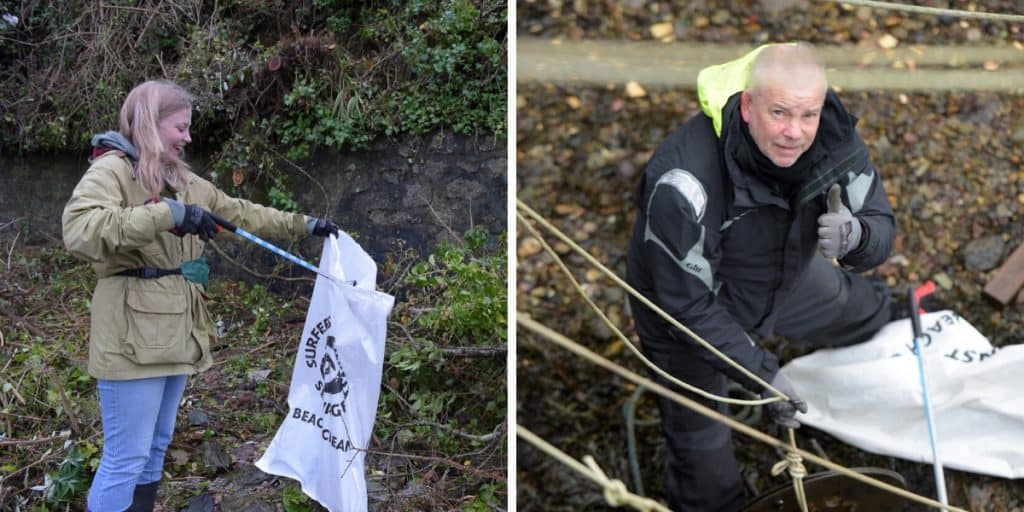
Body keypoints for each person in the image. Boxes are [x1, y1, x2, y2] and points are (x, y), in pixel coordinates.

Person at [625, 42, 895, 511]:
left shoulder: (832, 138)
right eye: (780, 113)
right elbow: (685, 309)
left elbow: (881, 220)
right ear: (748, 106)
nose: (795, 132)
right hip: (686, 320)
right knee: (704, 467)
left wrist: (859, 236)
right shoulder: (683, 183)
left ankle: (897, 315)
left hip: (784, 278)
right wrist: (764, 376)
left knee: (865, 311)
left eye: (807, 114)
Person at [61, 79, 341, 512]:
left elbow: (240, 213)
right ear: (151, 125)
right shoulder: (113, 170)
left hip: (177, 328)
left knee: (155, 448)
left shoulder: (183, 179)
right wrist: (167, 213)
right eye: (180, 127)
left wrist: (305, 225)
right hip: (130, 335)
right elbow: (80, 230)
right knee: (126, 457)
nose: (188, 138)